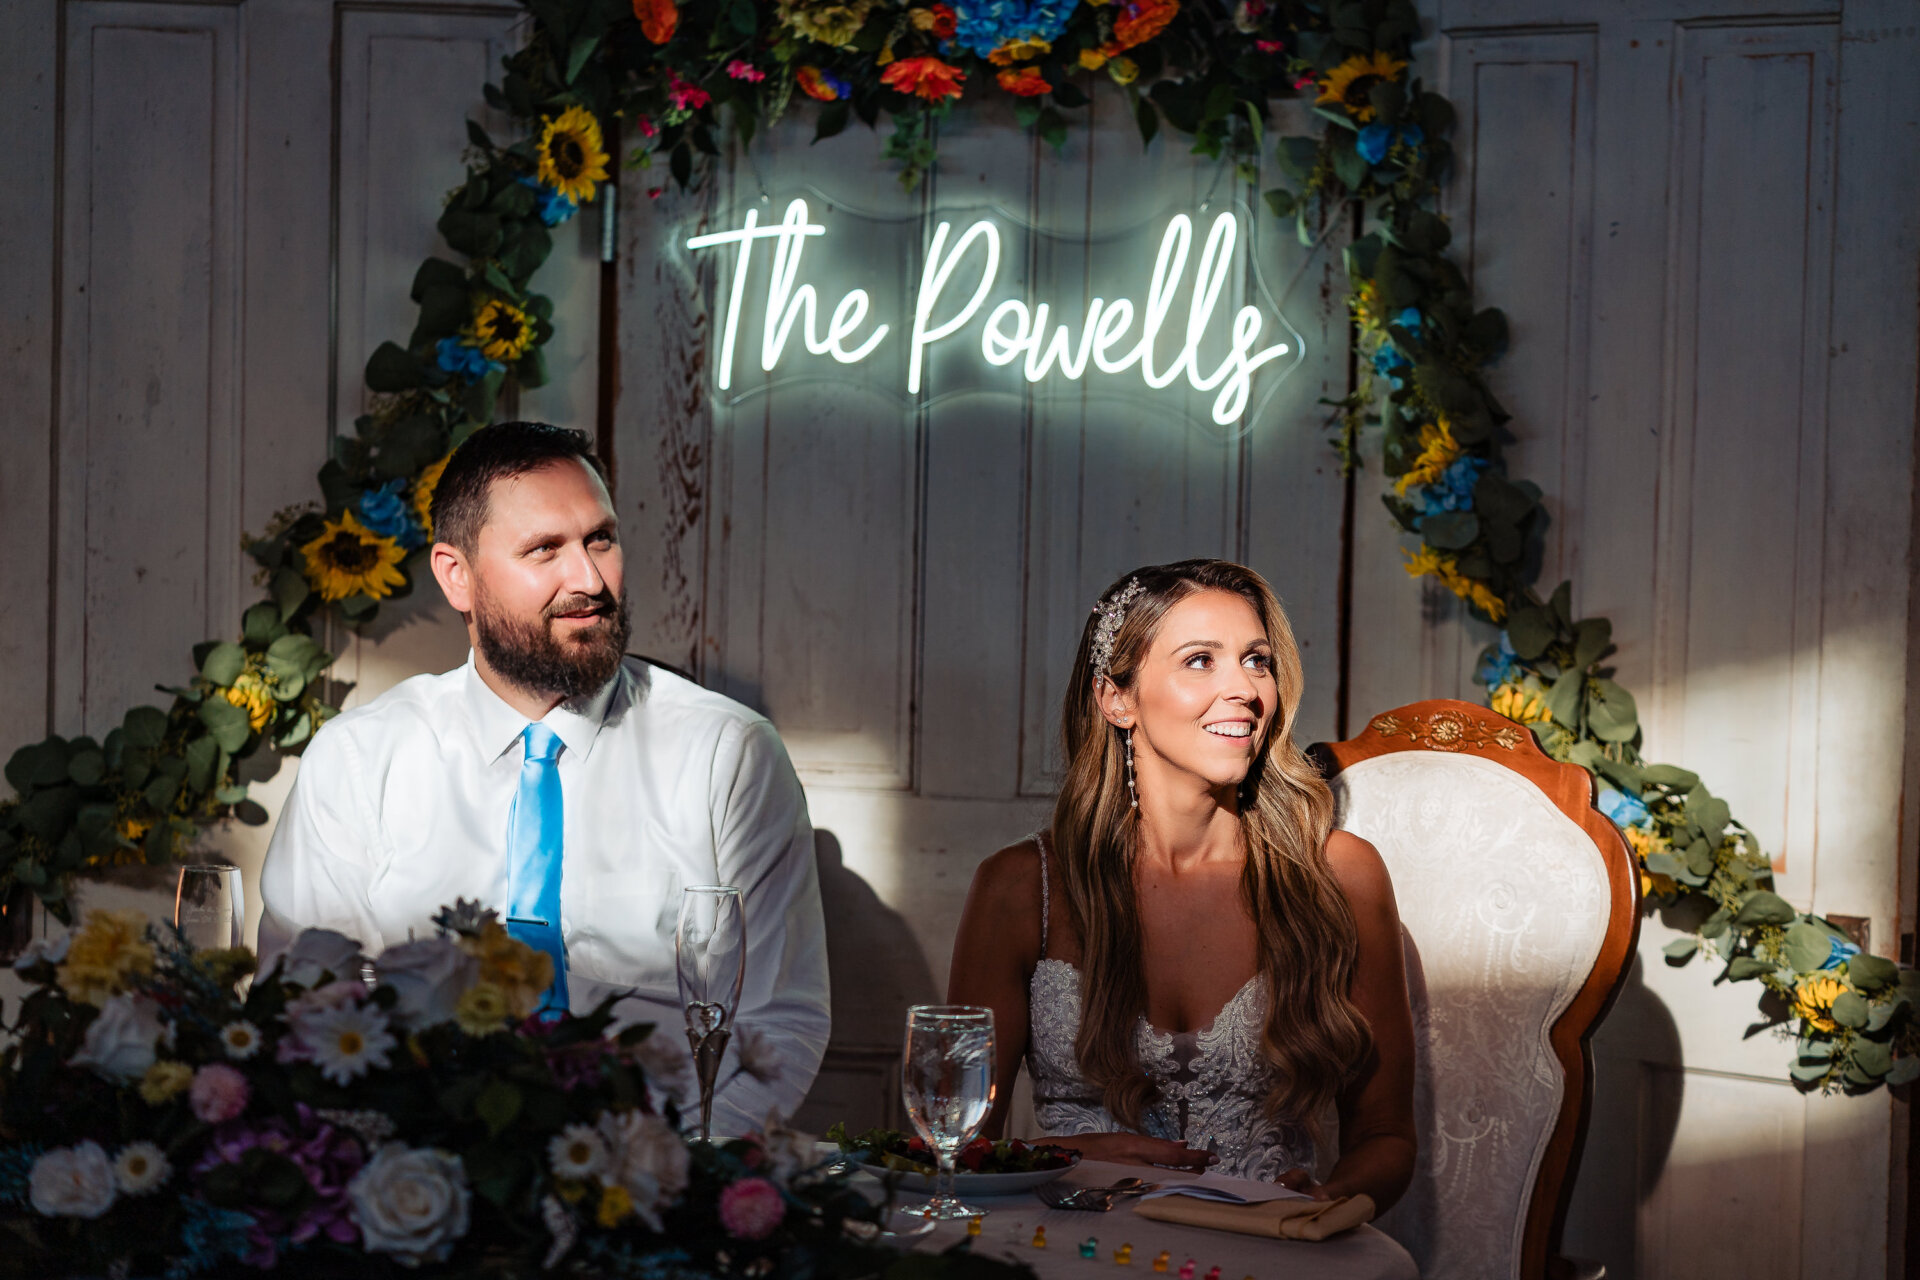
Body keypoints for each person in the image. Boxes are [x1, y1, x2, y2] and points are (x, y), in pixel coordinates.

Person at [259, 421, 829, 1133]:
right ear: (455, 575)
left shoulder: (728, 755)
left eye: (601, 539)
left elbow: (782, 1022)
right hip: (418, 1173)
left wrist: (666, 1176)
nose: (589, 580)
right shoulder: (358, 762)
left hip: (661, 1182)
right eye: (544, 550)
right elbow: (302, 1013)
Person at [947, 559, 1415, 1206]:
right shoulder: (1023, 889)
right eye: (1201, 661)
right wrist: (1063, 1156)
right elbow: (956, 1146)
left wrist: (1325, 1204)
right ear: (1117, 699)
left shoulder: (1339, 876)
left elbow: (1387, 1136)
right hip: (1074, 1248)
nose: (1246, 690)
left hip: (1270, 1254)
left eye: (1257, 661)